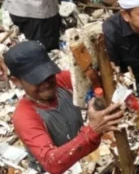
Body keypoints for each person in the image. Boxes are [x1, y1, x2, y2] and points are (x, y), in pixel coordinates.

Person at [3, 41, 124, 173]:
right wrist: (93, 130)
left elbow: (93, 79)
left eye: (48, 75)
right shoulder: (24, 116)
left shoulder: (62, 81)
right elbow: (52, 162)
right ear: (16, 81)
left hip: (81, 159)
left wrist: (108, 74)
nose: (45, 83)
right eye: (36, 80)